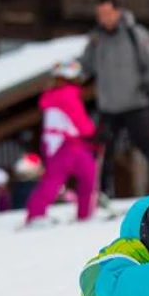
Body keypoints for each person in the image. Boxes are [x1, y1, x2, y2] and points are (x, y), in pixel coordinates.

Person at [79, 0, 149, 191]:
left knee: (148, 144)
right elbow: (86, 66)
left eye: (107, 13)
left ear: (117, 12)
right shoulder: (96, 38)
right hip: (108, 105)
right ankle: (100, 190)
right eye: (99, 14)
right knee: (102, 150)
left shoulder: (135, 33)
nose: (103, 18)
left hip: (135, 102)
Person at [25, 60, 99, 226]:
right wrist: (94, 134)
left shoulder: (55, 95)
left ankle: (37, 213)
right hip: (65, 145)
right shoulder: (66, 94)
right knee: (68, 178)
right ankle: (83, 214)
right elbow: (81, 123)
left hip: (61, 143)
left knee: (71, 176)